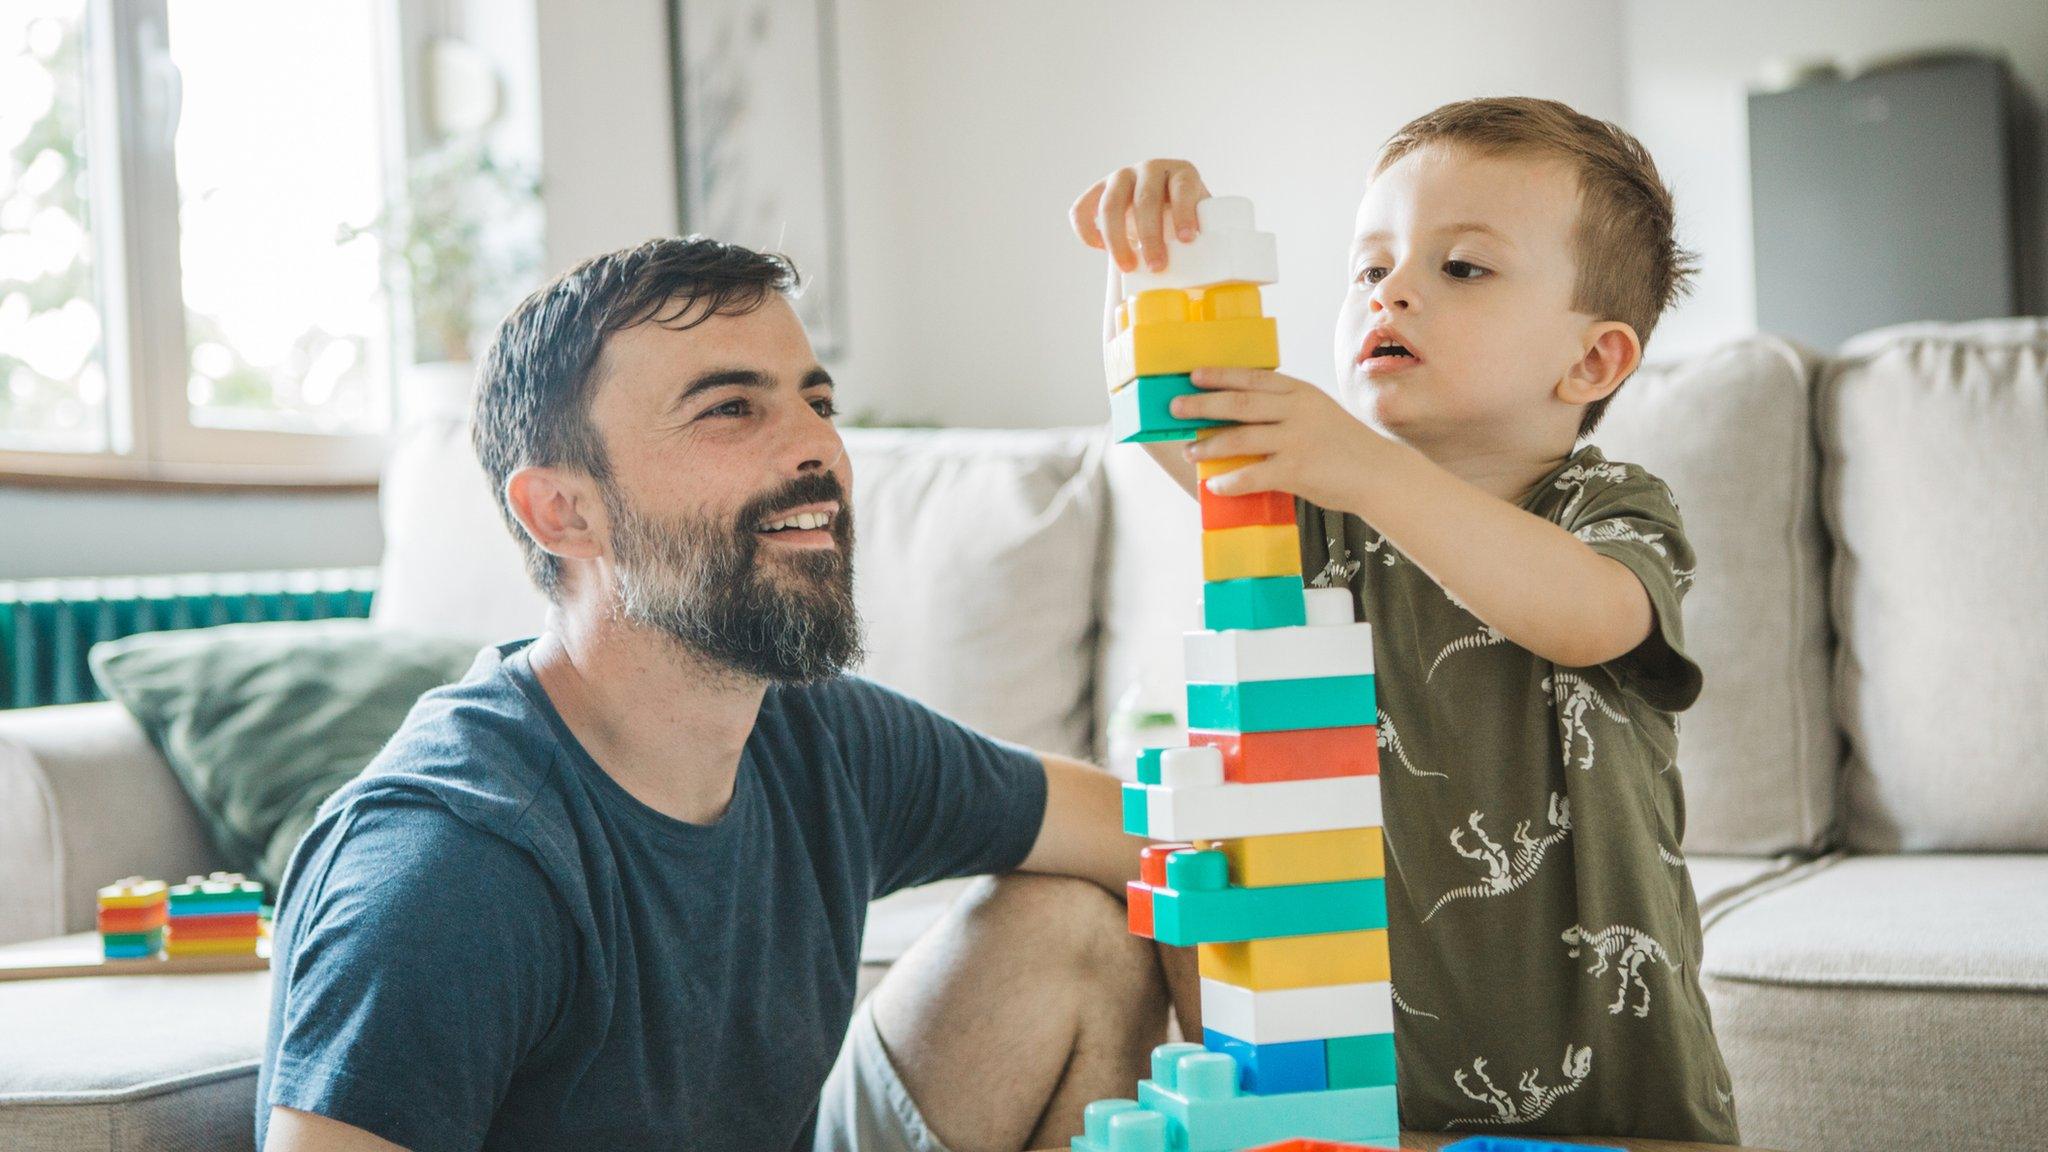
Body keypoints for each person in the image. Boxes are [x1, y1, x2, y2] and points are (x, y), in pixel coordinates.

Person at [256, 237, 1198, 1152]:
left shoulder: (818, 736)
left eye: (816, 399)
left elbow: (1164, 842)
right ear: (564, 511)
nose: (821, 448)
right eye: (730, 409)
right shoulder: (451, 868)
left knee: (1079, 929)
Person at [1071, 96, 1738, 1141]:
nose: (1392, 292)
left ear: (1591, 362)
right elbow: (1176, 414)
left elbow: (1590, 617)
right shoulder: (1316, 520)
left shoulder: (1606, 511)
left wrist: (1366, 468)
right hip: (1372, 1102)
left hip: (1613, 1102)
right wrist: (1152, 267)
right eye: (1368, 266)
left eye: (1459, 267)